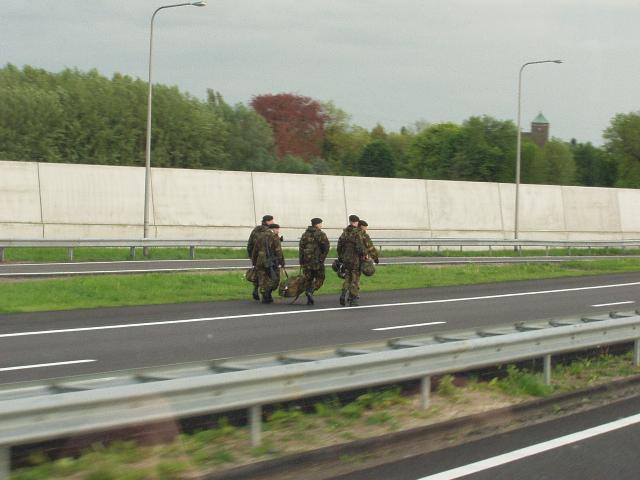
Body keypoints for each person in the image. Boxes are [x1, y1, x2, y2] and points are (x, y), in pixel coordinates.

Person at [299, 217, 330, 305]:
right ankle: (311, 291)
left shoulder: (305, 234)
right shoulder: (321, 234)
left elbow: (301, 248)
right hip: (317, 261)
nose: (321, 225)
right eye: (320, 223)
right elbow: (326, 247)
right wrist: (322, 258)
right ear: (317, 224)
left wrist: (301, 261)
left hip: (306, 261)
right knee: (320, 278)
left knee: (308, 279)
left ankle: (309, 299)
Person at [251, 223, 285, 304]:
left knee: (262, 279)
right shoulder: (274, 237)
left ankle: (265, 296)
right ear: (273, 229)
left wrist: (254, 261)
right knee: (275, 279)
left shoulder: (260, 236)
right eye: (277, 229)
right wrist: (282, 262)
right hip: (272, 262)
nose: (278, 231)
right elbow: (278, 251)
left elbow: (255, 249)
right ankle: (267, 294)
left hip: (260, 261)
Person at [336, 214, 366, 306]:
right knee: (355, 279)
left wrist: (341, 257)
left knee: (347, 277)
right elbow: (359, 247)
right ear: (357, 222)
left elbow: (339, 246)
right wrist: (364, 255)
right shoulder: (357, 233)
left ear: (350, 221)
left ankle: (343, 294)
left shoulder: (344, 232)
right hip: (355, 259)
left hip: (346, 259)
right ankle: (353, 299)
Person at [247, 215, 274, 301]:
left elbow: (250, 243)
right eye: (271, 221)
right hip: (266, 257)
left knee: (258, 272)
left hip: (256, 256)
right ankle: (266, 294)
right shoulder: (269, 231)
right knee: (267, 275)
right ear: (267, 221)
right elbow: (273, 245)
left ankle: (255, 289)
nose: (272, 222)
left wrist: (251, 256)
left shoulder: (255, 230)